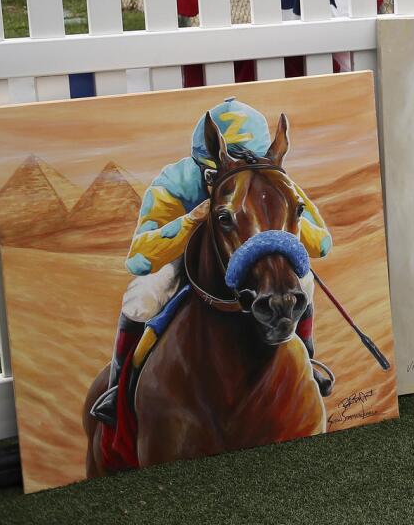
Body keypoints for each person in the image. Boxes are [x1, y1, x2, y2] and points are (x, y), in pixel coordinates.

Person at [89, 98, 334, 426]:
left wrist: (288, 212)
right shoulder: (173, 183)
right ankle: (118, 384)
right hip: (187, 261)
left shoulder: (273, 181)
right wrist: (191, 221)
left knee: (302, 281)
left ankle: (307, 358)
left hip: (254, 261)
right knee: (141, 296)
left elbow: (323, 243)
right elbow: (139, 258)